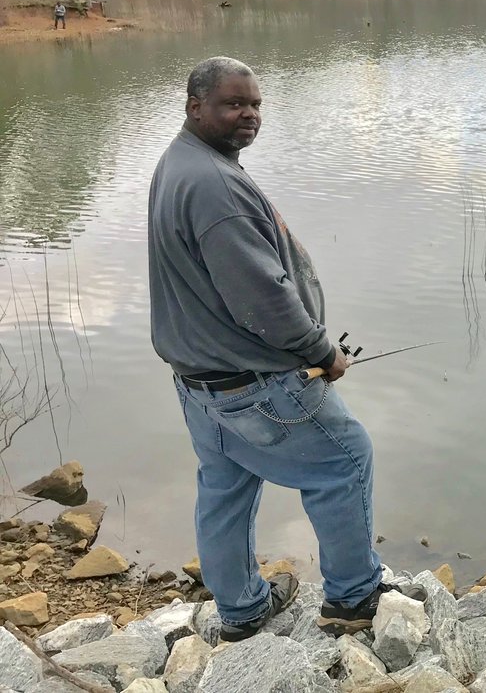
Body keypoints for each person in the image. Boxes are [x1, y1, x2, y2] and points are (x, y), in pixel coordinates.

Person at [148, 56, 423, 643]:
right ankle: (354, 598)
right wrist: (322, 352)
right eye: (233, 104)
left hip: (200, 380)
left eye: (255, 105)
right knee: (344, 459)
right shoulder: (214, 185)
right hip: (253, 384)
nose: (248, 115)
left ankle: (242, 612)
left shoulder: (181, 162)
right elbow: (262, 298)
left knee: (224, 486)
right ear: (196, 106)